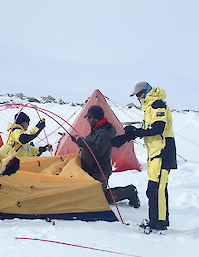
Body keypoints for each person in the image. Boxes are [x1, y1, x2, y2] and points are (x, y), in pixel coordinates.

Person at [112, 82, 177, 233]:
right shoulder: (149, 108)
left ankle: (159, 224)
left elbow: (158, 128)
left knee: (157, 189)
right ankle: (158, 220)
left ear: (146, 92)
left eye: (139, 95)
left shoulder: (157, 105)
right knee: (153, 189)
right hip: (155, 153)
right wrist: (133, 132)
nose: (138, 98)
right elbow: (150, 129)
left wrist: (137, 132)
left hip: (162, 151)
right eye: (136, 96)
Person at [72, 105, 140, 208]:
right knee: (91, 195)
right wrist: (78, 141)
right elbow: (90, 145)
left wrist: (80, 141)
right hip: (91, 169)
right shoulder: (96, 129)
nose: (87, 120)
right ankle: (128, 191)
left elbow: (96, 151)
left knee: (100, 199)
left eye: (89, 118)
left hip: (99, 171)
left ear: (96, 119)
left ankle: (129, 192)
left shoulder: (104, 134)